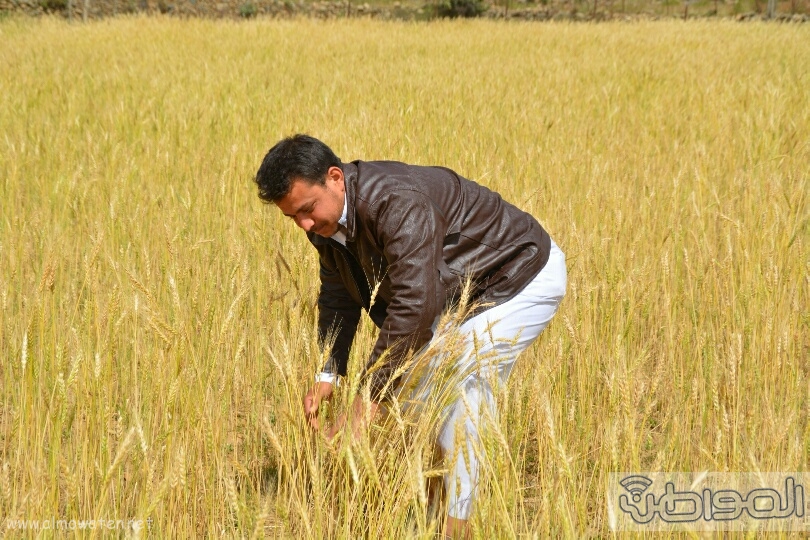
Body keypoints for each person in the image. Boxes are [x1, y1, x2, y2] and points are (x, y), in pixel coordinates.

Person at [254, 134, 567, 538]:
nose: (305, 225)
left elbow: (416, 306)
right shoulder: (323, 223)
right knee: (418, 398)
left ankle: (456, 530)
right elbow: (338, 293)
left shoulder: (397, 202)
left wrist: (367, 402)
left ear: (335, 177)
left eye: (307, 210)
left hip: (516, 275)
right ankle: (436, 513)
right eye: (293, 217)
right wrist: (329, 372)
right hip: (452, 295)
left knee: (461, 393)